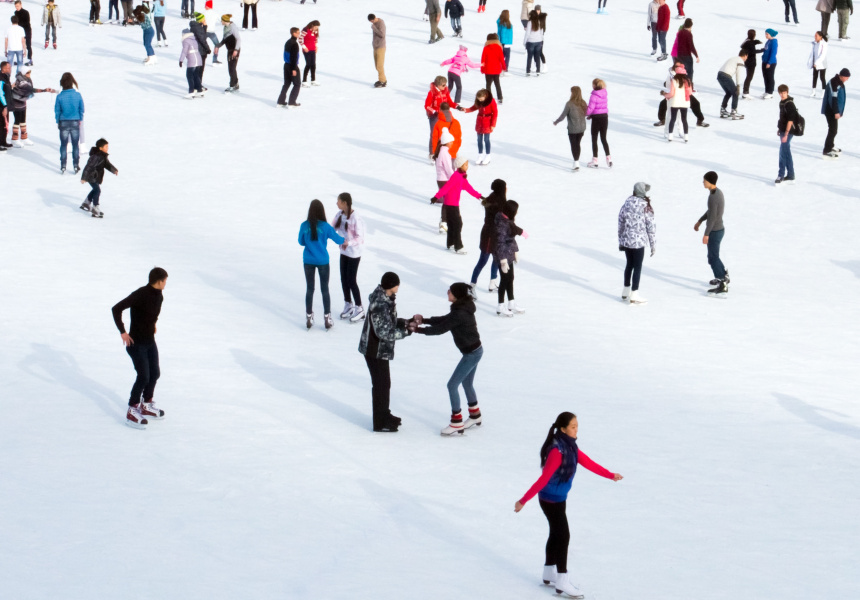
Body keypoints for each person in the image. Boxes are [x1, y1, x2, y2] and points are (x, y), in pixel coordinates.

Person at [514, 412, 623, 599]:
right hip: (549, 500)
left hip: (558, 498)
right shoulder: (557, 451)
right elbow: (543, 479)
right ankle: (562, 579)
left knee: (556, 533)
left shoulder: (570, 446)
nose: (576, 429)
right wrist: (523, 500)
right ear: (563, 429)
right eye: (573, 427)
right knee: (563, 535)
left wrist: (609, 475)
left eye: (577, 425)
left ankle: (549, 571)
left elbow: (587, 462)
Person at [410, 283, 483, 436]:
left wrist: (418, 329)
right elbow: (445, 319)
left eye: (450, 291)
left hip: (471, 354)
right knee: (467, 383)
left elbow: (440, 329)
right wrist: (424, 320)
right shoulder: (460, 308)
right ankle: (475, 415)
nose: (447, 292)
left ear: (456, 294)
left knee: (452, 385)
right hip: (474, 351)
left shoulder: (460, 313)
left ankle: (456, 422)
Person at [112, 267, 169, 429]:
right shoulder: (140, 294)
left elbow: (151, 314)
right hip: (136, 344)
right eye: (165, 281)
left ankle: (146, 404)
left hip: (150, 341)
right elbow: (116, 309)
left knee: (155, 374)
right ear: (159, 281)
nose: (166, 284)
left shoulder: (159, 296)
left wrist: (153, 325)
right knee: (143, 376)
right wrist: (123, 331)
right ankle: (132, 409)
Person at [358, 272, 412, 433]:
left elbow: (389, 322)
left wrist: (404, 322)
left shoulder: (386, 298)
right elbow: (384, 332)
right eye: (397, 284)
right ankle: (380, 422)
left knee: (384, 384)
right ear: (392, 286)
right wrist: (406, 332)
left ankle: (384, 414)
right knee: (381, 385)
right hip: (375, 350)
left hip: (378, 350)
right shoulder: (380, 304)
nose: (399, 286)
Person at [298, 199, 345, 330]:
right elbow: (338, 239)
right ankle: (327, 318)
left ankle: (309, 316)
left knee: (310, 289)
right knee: (325, 289)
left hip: (308, 260)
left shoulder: (304, 225)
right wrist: (346, 240)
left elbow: (301, 242)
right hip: (323, 261)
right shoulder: (325, 226)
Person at [433, 156, 483, 253]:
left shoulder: (461, 176)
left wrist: (479, 196)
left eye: (467, 164)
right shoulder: (456, 176)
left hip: (453, 204)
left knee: (453, 224)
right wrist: (436, 196)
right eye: (465, 165)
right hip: (451, 204)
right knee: (457, 224)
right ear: (460, 165)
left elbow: (469, 188)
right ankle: (458, 246)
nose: (467, 166)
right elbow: (446, 187)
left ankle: (451, 243)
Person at [617, 183, 656, 304]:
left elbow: (621, 221)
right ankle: (634, 294)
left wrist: (621, 240)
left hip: (627, 240)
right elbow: (651, 226)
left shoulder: (626, 203)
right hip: (638, 242)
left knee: (629, 264)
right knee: (637, 266)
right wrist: (653, 245)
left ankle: (625, 290)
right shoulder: (646, 206)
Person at [331, 192, 366, 323]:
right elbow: (331, 228)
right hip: (344, 252)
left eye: (338, 201)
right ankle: (348, 304)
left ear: (345, 202)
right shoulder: (339, 215)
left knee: (351, 280)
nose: (336, 203)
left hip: (354, 253)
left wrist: (348, 243)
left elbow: (360, 237)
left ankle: (359, 308)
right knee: (343, 279)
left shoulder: (356, 217)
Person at [694, 171, 729, 295]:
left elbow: (713, 218)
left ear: (710, 181)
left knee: (713, 258)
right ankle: (724, 276)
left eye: (704, 180)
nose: (703, 182)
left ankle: (722, 283)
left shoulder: (714, 197)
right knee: (713, 257)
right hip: (717, 230)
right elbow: (710, 211)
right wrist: (700, 221)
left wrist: (706, 234)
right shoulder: (716, 192)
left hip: (715, 231)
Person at [469, 179, 504, 296]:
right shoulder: (498, 203)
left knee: (496, 258)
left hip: (493, 233)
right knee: (483, 260)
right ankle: (471, 287)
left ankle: (493, 283)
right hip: (490, 235)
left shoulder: (493, 199)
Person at [9, 66, 56, 147]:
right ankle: (15, 139)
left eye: (30, 72)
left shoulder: (26, 80)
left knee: (23, 120)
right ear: (23, 73)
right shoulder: (21, 82)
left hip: (23, 102)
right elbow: (31, 90)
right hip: (16, 103)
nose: (29, 74)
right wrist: (44, 90)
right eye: (27, 72)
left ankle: (24, 138)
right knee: (17, 121)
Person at [493, 200, 525, 316]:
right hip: (503, 256)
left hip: (509, 253)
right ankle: (500, 305)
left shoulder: (508, 221)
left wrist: (515, 251)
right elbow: (500, 243)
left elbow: (511, 239)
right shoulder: (502, 224)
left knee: (510, 278)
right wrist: (502, 260)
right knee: (504, 280)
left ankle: (511, 302)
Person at [654, 60, 708, 128]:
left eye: (680, 66)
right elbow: (668, 85)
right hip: (675, 93)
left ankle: (700, 120)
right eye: (676, 66)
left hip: (684, 93)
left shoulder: (682, 72)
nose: (678, 68)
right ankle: (662, 120)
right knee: (663, 104)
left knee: (696, 103)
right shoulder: (671, 73)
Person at [79, 138, 118, 218]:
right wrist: (84, 178)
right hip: (91, 176)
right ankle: (95, 207)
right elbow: (88, 167)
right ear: (100, 148)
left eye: (108, 146)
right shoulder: (96, 156)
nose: (107, 148)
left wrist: (114, 170)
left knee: (95, 190)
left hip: (96, 176)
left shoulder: (103, 156)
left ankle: (86, 203)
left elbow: (107, 164)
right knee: (97, 190)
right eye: (106, 147)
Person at [54, 71, 83, 174]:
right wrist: (80, 119)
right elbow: (81, 109)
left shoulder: (60, 96)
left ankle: (63, 165)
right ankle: (76, 165)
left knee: (63, 145)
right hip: (75, 121)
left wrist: (58, 121)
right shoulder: (77, 95)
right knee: (75, 145)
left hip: (63, 122)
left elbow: (57, 110)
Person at [553, 85, 588, 171]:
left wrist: (556, 121)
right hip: (582, 127)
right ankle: (576, 161)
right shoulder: (583, 103)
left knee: (573, 144)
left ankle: (576, 162)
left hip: (573, 128)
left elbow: (563, 115)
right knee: (578, 144)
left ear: (573, 93)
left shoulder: (569, 104)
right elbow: (587, 113)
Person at [425, 76, 458, 158]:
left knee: (447, 132)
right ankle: (432, 153)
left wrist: (457, 106)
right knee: (434, 134)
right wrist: (434, 111)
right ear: (438, 85)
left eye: (445, 85)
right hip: (434, 116)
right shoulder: (432, 92)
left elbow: (449, 102)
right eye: (443, 85)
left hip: (444, 114)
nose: (445, 86)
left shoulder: (445, 91)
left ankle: (445, 151)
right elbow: (427, 106)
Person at [463, 88, 497, 165]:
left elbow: (495, 112)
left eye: (481, 99)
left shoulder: (491, 101)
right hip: (480, 121)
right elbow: (474, 107)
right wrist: (466, 110)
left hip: (487, 121)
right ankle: (480, 155)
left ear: (485, 96)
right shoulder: (479, 102)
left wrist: (493, 124)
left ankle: (488, 156)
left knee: (486, 139)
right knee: (479, 139)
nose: (480, 101)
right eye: (479, 99)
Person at [822, 68, 850, 158]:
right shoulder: (834, 83)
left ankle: (831, 145)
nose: (847, 79)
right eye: (847, 77)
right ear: (842, 76)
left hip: (833, 110)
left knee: (834, 130)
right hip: (830, 110)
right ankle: (827, 150)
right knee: (833, 130)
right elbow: (833, 100)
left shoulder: (839, 82)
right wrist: (836, 112)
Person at [434, 127, 455, 234]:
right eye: (451, 141)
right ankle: (444, 222)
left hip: (441, 179)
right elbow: (448, 168)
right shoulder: (445, 153)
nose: (452, 143)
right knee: (447, 201)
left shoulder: (441, 151)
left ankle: (444, 221)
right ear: (447, 142)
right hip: (444, 180)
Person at [776, 84, 798, 185]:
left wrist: (786, 134)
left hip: (788, 132)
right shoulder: (782, 102)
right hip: (783, 130)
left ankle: (780, 175)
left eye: (784, 93)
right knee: (787, 152)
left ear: (787, 92)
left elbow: (790, 120)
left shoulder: (790, 104)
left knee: (782, 153)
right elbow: (782, 118)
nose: (782, 95)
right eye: (781, 93)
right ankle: (791, 174)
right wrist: (779, 129)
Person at [585, 78, 611, 168]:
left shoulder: (594, 95)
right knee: (604, 138)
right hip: (604, 117)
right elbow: (600, 108)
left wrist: (586, 113)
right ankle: (609, 158)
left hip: (596, 119)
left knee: (594, 139)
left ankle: (595, 160)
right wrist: (591, 115)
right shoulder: (604, 94)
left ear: (595, 85)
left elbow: (591, 109)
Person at [663, 64, 691, 142]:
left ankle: (670, 136)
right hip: (684, 103)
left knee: (673, 119)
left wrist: (665, 95)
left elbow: (671, 93)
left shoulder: (674, 81)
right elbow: (690, 92)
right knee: (684, 119)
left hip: (675, 102)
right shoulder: (688, 81)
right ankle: (686, 136)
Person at [717, 50, 746, 119]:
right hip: (726, 76)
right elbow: (738, 73)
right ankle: (734, 112)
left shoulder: (733, 58)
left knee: (728, 93)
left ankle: (723, 110)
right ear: (745, 55)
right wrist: (738, 85)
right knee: (735, 93)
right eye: (746, 57)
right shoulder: (740, 61)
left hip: (719, 75)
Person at [277, 27, 301, 107]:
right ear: (294, 33)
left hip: (286, 65)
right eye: (298, 33)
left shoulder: (288, 42)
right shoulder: (294, 44)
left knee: (287, 83)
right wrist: (294, 69)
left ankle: (280, 101)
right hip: (292, 66)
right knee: (297, 84)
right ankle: (292, 102)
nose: (299, 34)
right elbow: (293, 57)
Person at [217, 14, 241, 92]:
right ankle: (235, 84)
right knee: (231, 68)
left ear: (225, 21)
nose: (221, 22)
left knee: (232, 68)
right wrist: (218, 46)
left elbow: (238, 39)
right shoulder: (225, 28)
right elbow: (224, 39)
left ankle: (233, 85)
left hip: (234, 50)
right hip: (230, 50)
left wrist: (236, 50)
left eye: (222, 20)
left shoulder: (233, 27)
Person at [179, 28, 204, 99]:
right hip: (198, 59)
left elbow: (184, 51)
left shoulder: (186, 40)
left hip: (192, 60)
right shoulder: (194, 39)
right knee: (196, 75)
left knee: (189, 75)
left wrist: (181, 60)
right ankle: (199, 90)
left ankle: (191, 91)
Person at [480, 33, 505, 102]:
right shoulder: (499, 48)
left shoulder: (486, 48)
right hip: (496, 70)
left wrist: (482, 68)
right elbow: (501, 58)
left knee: (488, 85)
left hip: (488, 70)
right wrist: (504, 66)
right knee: (497, 84)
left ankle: (489, 98)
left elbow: (483, 59)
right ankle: (500, 97)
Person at [675, 18, 698, 87]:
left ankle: (680, 84)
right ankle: (689, 86)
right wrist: (696, 55)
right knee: (690, 71)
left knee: (681, 70)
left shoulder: (680, 32)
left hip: (679, 54)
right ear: (691, 26)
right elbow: (691, 46)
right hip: (687, 55)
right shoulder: (688, 34)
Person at [740, 30, 762, 98]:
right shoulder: (749, 43)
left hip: (747, 61)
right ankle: (745, 92)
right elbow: (753, 51)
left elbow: (749, 45)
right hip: (751, 62)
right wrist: (762, 50)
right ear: (754, 35)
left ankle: (745, 92)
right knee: (749, 77)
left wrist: (755, 42)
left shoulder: (747, 41)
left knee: (748, 76)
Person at [809, 31, 829, 98]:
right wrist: (811, 62)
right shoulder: (814, 44)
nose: (815, 37)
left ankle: (823, 92)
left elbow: (822, 55)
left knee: (822, 77)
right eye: (815, 35)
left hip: (822, 64)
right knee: (814, 77)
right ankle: (813, 91)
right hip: (815, 63)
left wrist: (817, 63)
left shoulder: (824, 44)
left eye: (816, 36)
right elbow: (813, 54)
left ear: (820, 37)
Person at [368, 14, 386, 88]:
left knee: (379, 65)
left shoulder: (381, 23)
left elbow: (382, 34)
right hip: (375, 47)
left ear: (374, 18)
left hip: (381, 47)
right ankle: (382, 79)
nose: (372, 23)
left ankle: (383, 81)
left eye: (372, 21)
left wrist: (374, 28)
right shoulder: (374, 24)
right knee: (376, 65)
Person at [523, 11, 543, 75]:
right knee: (537, 57)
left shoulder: (530, 23)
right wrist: (541, 40)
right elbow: (541, 33)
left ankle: (528, 71)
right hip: (538, 41)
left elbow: (527, 33)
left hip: (531, 41)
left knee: (529, 57)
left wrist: (524, 42)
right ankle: (538, 71)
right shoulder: (539, 22)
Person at [13, 2, 32, 66]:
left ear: (21, 5)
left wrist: (19, 25)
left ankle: (30, 59)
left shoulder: (26, 12)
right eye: (16, 6)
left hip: (27, 30)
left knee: (28, 45)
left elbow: (27, 22)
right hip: (20, 31)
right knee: (19, 45)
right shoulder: (15, 12)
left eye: (18, 6)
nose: (17, 7)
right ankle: (19, 59)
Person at [761, 29, 778, 99]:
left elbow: (773, 53)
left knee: (770, 77)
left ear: (771, 34)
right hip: (765, 61)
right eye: (765, 34)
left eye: (767, 34)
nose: (766, 35)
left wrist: (769, 62)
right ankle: (766, 91)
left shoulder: (774, 42)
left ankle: (770, 92)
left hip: (770, 62)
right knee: (765, 77)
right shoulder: (768, 41)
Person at [301, 21, 319, 87]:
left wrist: (316, 46)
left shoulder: (315, 31)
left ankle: (313, 80)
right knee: (308, 64)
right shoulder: (305, 30)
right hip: (307, 50)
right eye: (316, 27)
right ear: (312, 25)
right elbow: (300, 39)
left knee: (313, 64)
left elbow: (315, 39)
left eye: (317, 27)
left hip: (313, 49)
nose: (316, 28)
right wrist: (304, 47)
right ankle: (304, 81)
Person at [0, 62, 10, 153]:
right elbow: (0, 93)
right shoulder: (1, 78)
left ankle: (3, 141)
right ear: (3, 68)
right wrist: (5, 106)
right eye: (8, 68)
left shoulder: (6, 76)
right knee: (1, 124)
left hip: (6, 104)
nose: (9, 69)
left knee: (5, 125)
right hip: (2, 105)